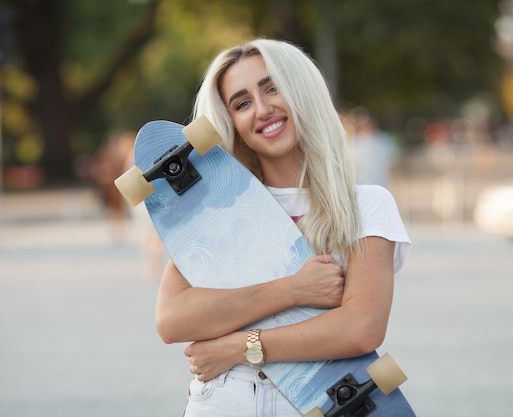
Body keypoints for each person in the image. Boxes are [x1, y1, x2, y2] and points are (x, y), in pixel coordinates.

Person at [154, 39, 411, 417]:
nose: (261, 110)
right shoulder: (219, 209)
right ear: (233, 124)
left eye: (272, 87)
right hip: (225, 398)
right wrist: (291, 289)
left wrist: (239, 346)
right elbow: (173, 320)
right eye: (241, 103)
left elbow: (361, 329)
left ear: (302, 90)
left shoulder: (366, 204)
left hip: (318, 401)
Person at [349, 106, 399, 188]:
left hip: (381, 185)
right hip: (360, 186)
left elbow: (393, 166)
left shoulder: (385, 140)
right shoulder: (353, 141)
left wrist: (395, 187)